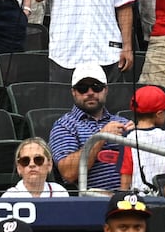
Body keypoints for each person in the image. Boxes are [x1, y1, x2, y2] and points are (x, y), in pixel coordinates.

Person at [48, 63, 130, 193]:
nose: (90, 93)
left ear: (106, 90)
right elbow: (69, 173)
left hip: (131, 197)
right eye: (83, 88)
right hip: (91, 199)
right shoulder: (64, 125)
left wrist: (140, 134)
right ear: (74, 92)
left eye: (96, 87)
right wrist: (101, 136)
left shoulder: (123, 123)